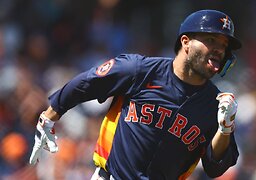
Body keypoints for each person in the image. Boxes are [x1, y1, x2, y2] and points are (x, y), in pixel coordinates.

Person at [29, 9, 242, 179]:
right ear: (185, 42)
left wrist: (225, 129)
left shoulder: (217, 106)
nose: (219, 50)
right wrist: (49, 116)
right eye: (211, 40)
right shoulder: (140, 70)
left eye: (224, 45)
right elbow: (86, 83)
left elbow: (215, 168)